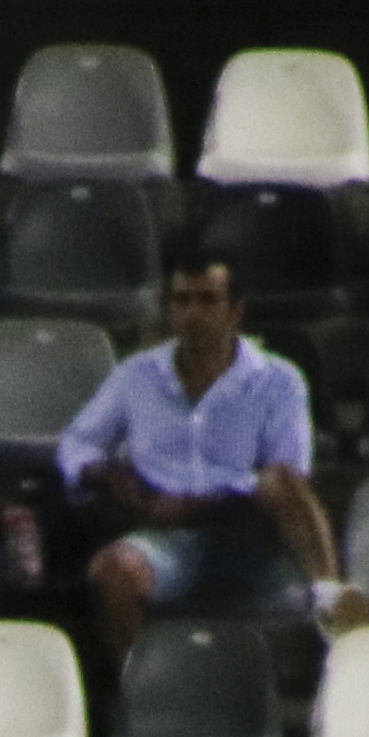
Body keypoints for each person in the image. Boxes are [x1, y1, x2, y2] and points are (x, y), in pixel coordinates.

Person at [60, 259, 332, 664]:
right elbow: (76, 442)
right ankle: (138, 690)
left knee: (283, 480)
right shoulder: (136, 375)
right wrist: (101, 471)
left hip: (248, 533)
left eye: (207, 300)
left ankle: (332, 597)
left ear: (235, 309)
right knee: (111, 569)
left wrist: (196, 506)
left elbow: (291, 473)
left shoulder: (279, 380)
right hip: (165, 538)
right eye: (182, 300)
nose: (193, 313)